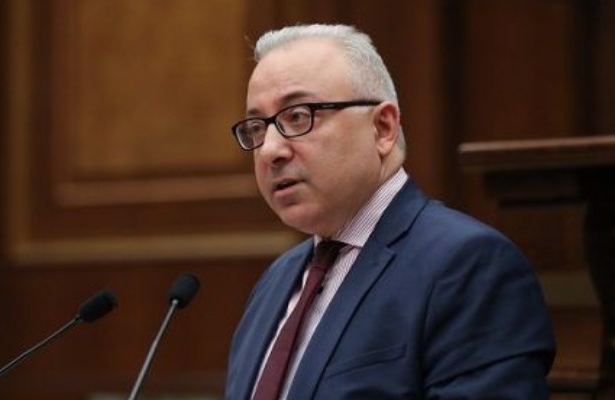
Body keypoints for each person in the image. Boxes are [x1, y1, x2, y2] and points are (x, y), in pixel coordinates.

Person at [224, 23, 556, 400]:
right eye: (257, 128)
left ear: (382, 128)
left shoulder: (469, 265)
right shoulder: (276, 281)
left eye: (298, 116)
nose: (270, 150)